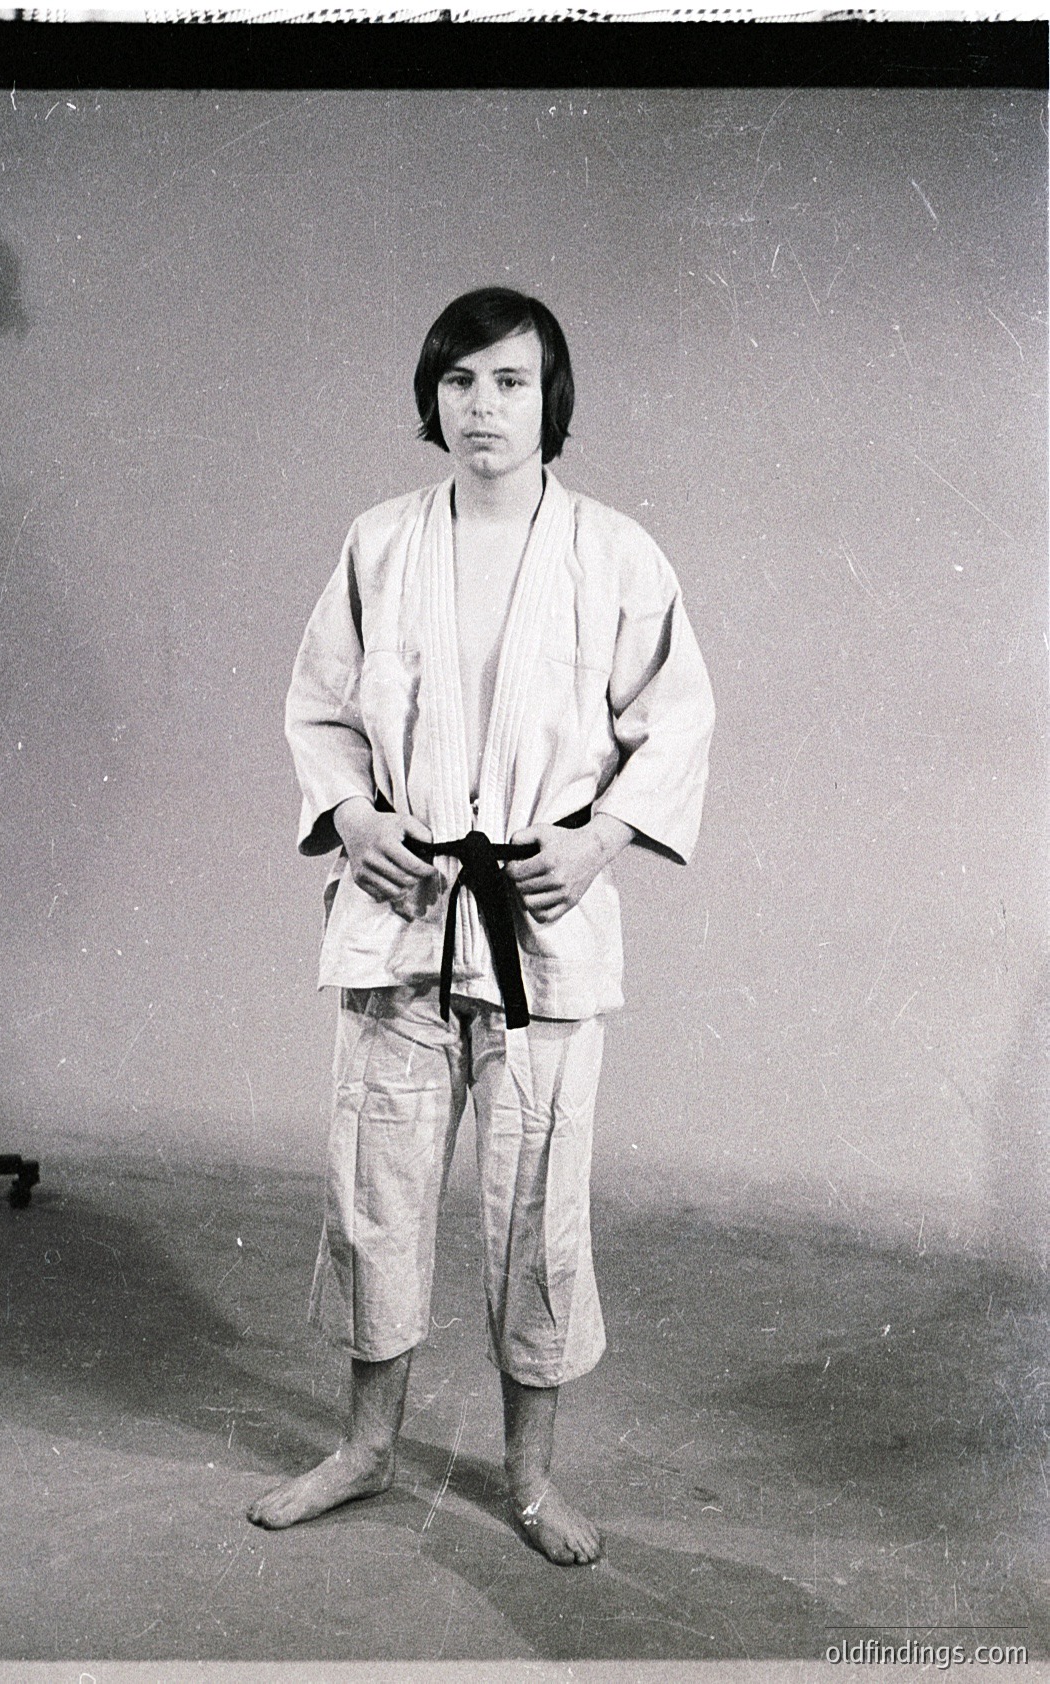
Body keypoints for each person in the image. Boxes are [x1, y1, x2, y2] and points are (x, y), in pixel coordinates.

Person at [248, 287, 715, 1565]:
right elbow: (319, 710)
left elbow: (673, 720)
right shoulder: (379, 542)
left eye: (510, 381)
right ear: (430, 398)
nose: (483, 407)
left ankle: (527, 1480)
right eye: (459, 382)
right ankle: (361, 1448)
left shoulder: (614, 552)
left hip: (542, 921)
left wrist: (601, 838)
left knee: (536, 1205)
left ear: (549, 398)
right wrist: (349, 820)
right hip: (399, 908)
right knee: (374, 1189)